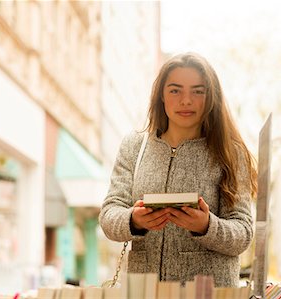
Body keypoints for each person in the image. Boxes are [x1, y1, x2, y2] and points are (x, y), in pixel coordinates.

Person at [99, 52, 257, 287]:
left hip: (208, 291)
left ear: (211, 97)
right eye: (175, 90)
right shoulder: (134, 145)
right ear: (161, 95)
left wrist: (206, 226)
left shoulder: (230, 152)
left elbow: (243, 233)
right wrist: (134, 220)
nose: (186, 100)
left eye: (198, 91)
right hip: (145, 291)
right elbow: (109, 215)